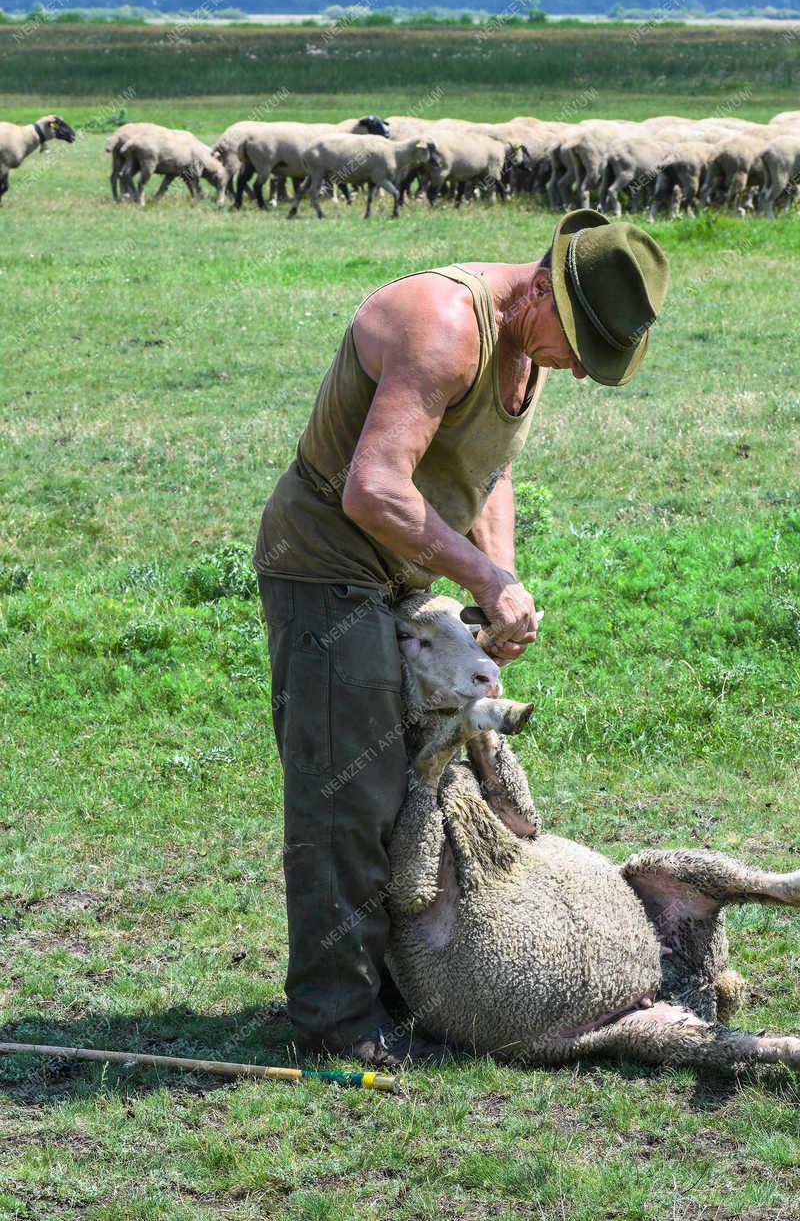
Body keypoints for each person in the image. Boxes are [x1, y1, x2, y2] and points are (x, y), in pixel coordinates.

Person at [253, 208, 669, 1068]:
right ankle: (334, 1027)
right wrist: (482, 580)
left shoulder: (527, 348)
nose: (581, 373)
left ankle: (392, 991)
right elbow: (372, 489)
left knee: (414, 776)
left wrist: (500, 584)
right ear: (546, 291)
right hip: (326, 561)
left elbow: (488, 464)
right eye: (582, 348)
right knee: (350, 791)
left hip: (402, 570)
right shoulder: (442, 326)